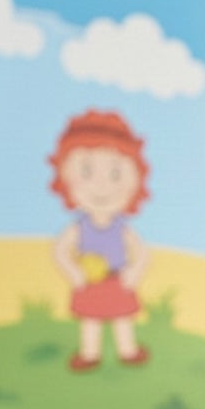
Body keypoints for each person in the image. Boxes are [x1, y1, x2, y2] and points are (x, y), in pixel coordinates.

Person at [48, 109, 151, 372]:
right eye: (86, 171)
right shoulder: (79, 227)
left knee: (122, 317)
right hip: (90, 280)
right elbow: (61, 251)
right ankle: (89, 353)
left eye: (116, 174)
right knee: (90, 319)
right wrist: (74, 273)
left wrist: (134, 272)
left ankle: (128, 350)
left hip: (117, 278)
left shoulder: (121, 228)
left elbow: (140, 251)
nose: (102, 186)